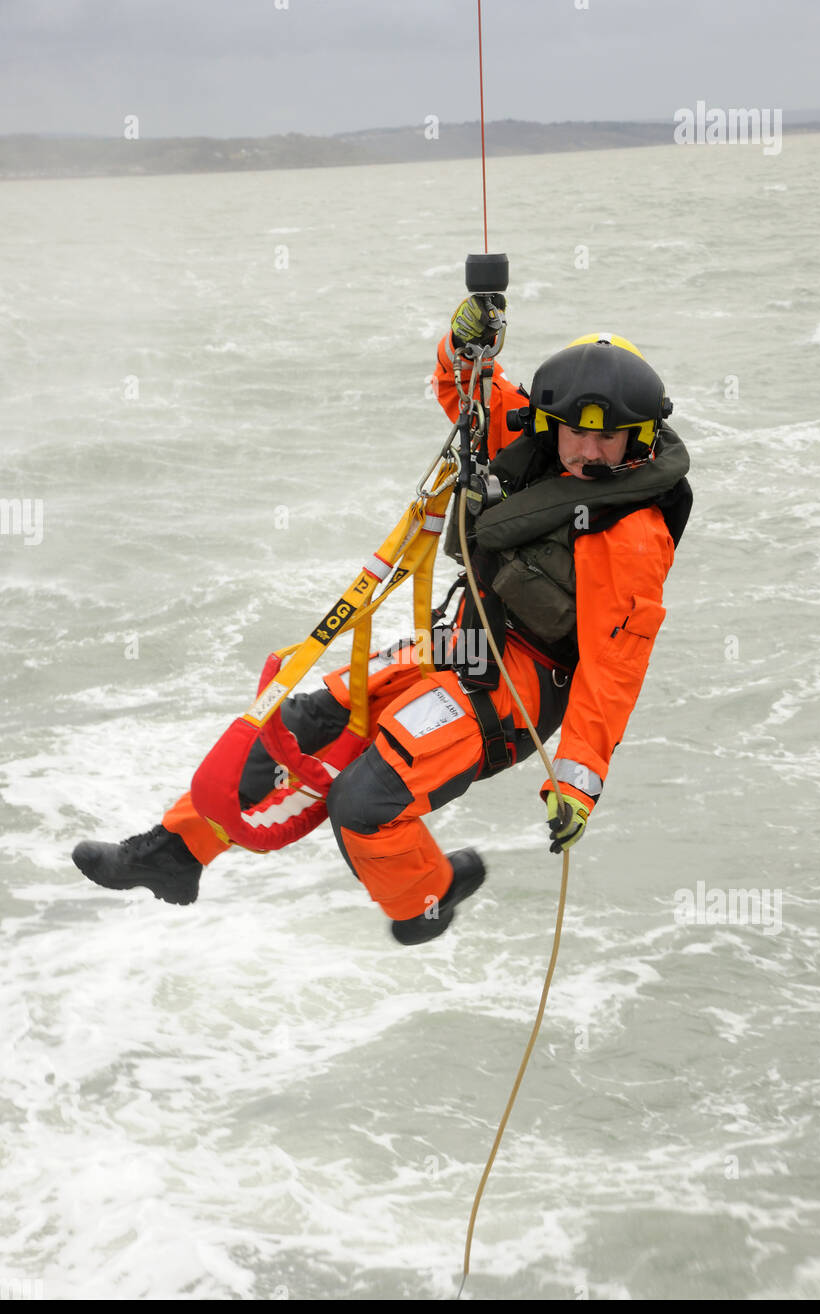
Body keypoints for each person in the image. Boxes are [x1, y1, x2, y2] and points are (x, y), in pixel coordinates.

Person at [72, 295, 692, 944]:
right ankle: (174, 852)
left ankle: (426, 899)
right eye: (576, 431)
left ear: (639, 438)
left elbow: (614, 669)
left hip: (522, 685)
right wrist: (466, 336)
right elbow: (464, 384)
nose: (589, 451)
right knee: (294, 725)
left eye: (609, 436)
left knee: (363, 805)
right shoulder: (527, 432)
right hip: (464, 639)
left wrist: (576, 784)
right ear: (550, 421)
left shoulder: (632, 537)